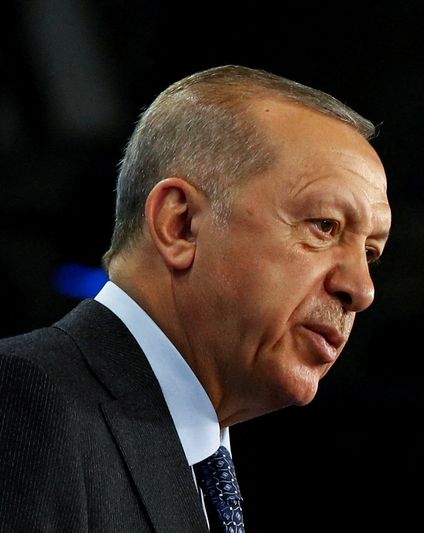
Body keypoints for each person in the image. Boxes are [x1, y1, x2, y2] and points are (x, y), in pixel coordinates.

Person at [0, 64, 391, 532]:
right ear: (180, 224)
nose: (362, 290)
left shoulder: (200, 469)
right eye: (324, 226)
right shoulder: (25, 401)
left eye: (370, 253)